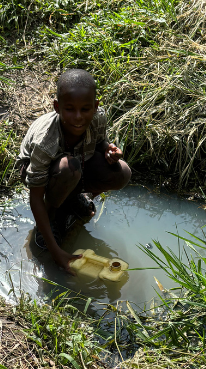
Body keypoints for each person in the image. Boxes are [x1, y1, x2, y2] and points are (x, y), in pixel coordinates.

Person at [17, 69, 131, 274]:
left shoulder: (98, 118)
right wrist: (56, 252)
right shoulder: (46, 141)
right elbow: (34, 197)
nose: (78, 117)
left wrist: (107, 148)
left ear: (95, 107)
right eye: (70, 109)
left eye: (85, 109)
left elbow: (98, 141)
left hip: (75, 162)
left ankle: (71, 199)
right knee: (67, 169)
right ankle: (50, 219)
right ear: (57, 107)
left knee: (121, 173)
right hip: (42, 170)